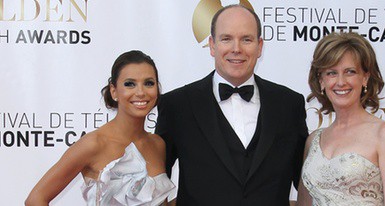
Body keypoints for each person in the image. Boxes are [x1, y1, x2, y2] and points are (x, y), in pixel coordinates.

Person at [155, 4, 308, 206]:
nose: (236, 49)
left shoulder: (289, 104)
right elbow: (155, 185)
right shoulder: (177, 105)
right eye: (226, 39)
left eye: (246, 39)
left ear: (260, 46)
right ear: (211, 45)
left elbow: (307, 183)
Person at [25, 50, 175, 206]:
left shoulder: (158, 144)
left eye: (149, 83)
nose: (140, 92)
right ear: (114, 91)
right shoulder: (94, 143)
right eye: (130, 84)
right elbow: (35, 199)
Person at [296, 32, 385, 206]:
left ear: (365, 77)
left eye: (350, 72)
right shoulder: (313, 141)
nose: (341, 82)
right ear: (321, 81)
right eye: (331, 73)